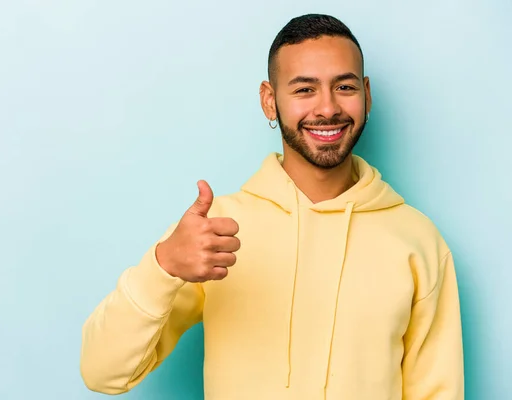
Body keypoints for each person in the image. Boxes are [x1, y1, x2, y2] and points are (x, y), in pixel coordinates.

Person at [80, 13, 464, 400]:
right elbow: (102, 372)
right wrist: (163, 266)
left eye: (344, 86)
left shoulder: (418, 241)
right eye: (304, 90)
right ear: (269, 100)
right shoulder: (216, 230)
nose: (328, 108)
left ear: (366, 93)